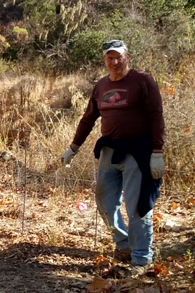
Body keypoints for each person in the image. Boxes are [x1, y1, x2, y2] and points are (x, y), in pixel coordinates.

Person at [61, 40, 165, 276]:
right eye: (110, 57)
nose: (115, 62)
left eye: (119, 57)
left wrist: (157, 152)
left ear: (127, 56)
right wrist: (73, 148)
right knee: (105, 202)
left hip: (138, 152)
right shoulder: (100, 86)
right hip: (109, 150)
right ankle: (123, 244)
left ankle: (141, 259)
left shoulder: (142, 81)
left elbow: (156, 116)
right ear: (104, 60)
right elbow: (88, 119)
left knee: (137, 205)